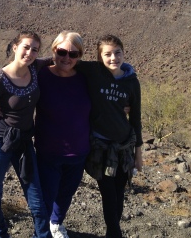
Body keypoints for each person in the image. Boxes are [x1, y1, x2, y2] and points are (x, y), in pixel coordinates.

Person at [0, 31, 53, 238]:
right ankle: (1, 234)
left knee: (36, 197)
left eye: (34, 49)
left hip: (25, 141)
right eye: (26, 47)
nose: (29, 52)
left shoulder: (35, 67)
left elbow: (62, 58)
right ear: (14, 47)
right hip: (0, 142)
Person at [77, 34, 143, 238]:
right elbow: (62, 61)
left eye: (117, 53)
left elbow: (136, 118)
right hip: (101, 146)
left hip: (124, 146)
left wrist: (138, 153)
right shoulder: (93, 72)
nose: (113, 58)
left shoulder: (132, 82)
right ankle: (115, 233)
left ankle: (112, 232)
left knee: (119, 191)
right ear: (99, 57)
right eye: (107, 54)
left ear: (123, 53)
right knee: (107, 191)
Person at [34, 31, 91, 238]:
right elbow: (15, 80)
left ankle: (56, 224)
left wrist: (124, 106)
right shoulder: (40, 75)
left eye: (73, 54)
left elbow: (111, 85)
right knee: (46, 196)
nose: (67, 58)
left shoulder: (86, 78)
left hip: (79, 151)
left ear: (80, 56)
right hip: (48, 151)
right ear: (53, 51)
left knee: (66, 193)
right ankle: (41, 232)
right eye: (61, 52)